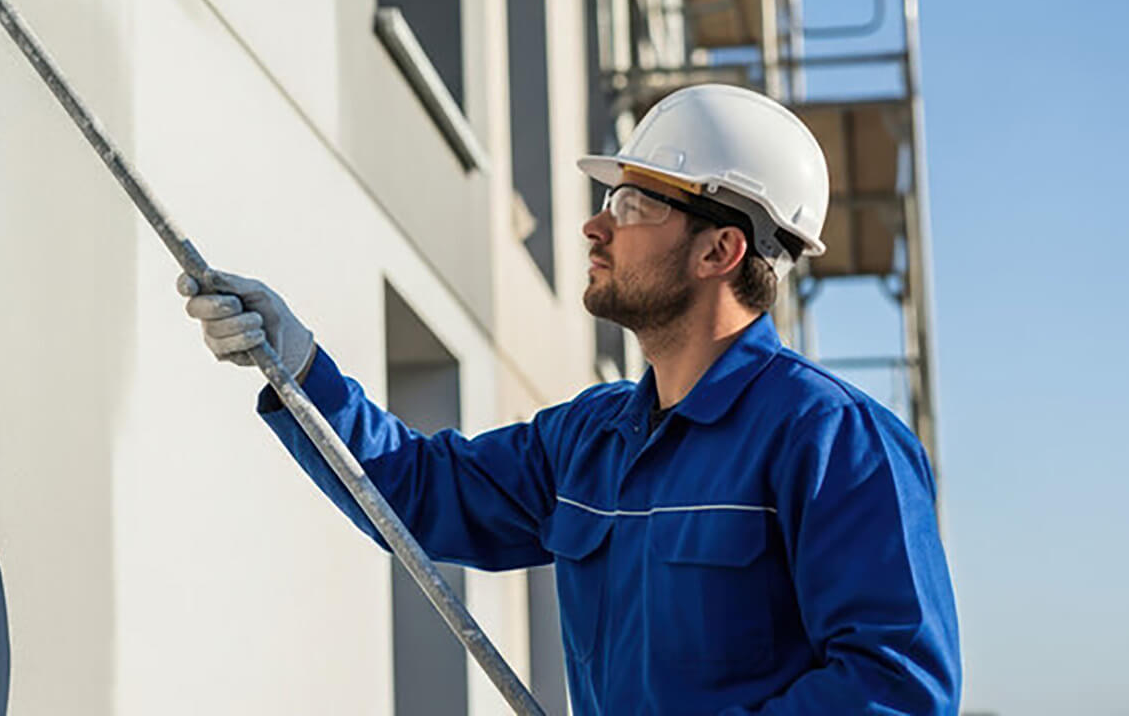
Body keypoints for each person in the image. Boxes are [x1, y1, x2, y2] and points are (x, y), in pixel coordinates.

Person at [179, 84, 959, 714]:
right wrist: (299, 370)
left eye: (632, 205)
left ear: (719, 249)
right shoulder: (591, 439)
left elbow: (896, 690)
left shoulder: (834, 441)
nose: (594, 226)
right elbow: (412, 492)